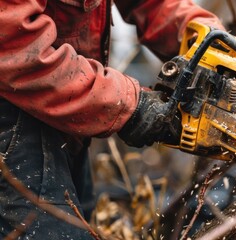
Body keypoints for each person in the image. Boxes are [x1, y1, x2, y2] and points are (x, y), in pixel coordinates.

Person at [0, 0, 224, 238]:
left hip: (64, 118)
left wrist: (205, 37)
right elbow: (12, 44)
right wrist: (130, 104)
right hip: (14, 114)